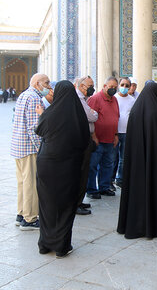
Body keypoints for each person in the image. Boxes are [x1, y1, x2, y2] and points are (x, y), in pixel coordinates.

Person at [35, 80, 90, 258]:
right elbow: (84, 142)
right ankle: (61, 246)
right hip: (69, 167)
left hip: (46, 166)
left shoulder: (49, 113)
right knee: (66, 206)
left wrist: (42, 115)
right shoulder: (79, 115)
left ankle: (45, 244)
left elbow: (40, 130)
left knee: (47, 205)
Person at [117, 81, 157, 239]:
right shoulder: (156, 112)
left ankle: (134, 224)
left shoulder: (136, 109)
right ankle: (155, 224)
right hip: (154, 163)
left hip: (136, 163)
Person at [10, 73, 50, 230]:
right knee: (31, 184)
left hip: (19, 147)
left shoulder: (24, 95)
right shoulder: (34, 98)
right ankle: (30, 218)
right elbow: (34, 127)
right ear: (37, 83)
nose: (48, 86)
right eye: (46, 82)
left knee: (22, 182)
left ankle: (21, 213)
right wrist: (40, 148)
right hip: (29, 148)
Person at [86, 76, 119, 199]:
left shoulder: (115, 100)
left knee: (108, 165)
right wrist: (94, 136)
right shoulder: (95, 99)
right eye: (111, 87)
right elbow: (90, 119)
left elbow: (116, 118)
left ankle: (104, 187)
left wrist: (115, 135)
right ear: (104, 86)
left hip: (110, 140)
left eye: (115, 87)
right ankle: (91, 189)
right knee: (93, 166)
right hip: (97, 140)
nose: (113, 89)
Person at [74, 76, 98, 215]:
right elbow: (92, 117)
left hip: (86, 139)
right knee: (80, 173)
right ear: (82, 86)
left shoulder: (84, 99)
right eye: (90, 85)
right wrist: (93, 113)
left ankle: (79, 200)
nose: (91, 88)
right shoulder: (79, 99)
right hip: (81, 140)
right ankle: (75, 203)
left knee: (84, 173)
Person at [113, 77, 136, 188]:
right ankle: (110, 180)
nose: (124, 87)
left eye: (127, 85)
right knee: (112, 158)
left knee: (123, 158)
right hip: (115, 132)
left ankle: (120, 179)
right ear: (118, 85)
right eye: (122, 85)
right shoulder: (114, 98)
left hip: (127, 132)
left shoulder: (132, 100)